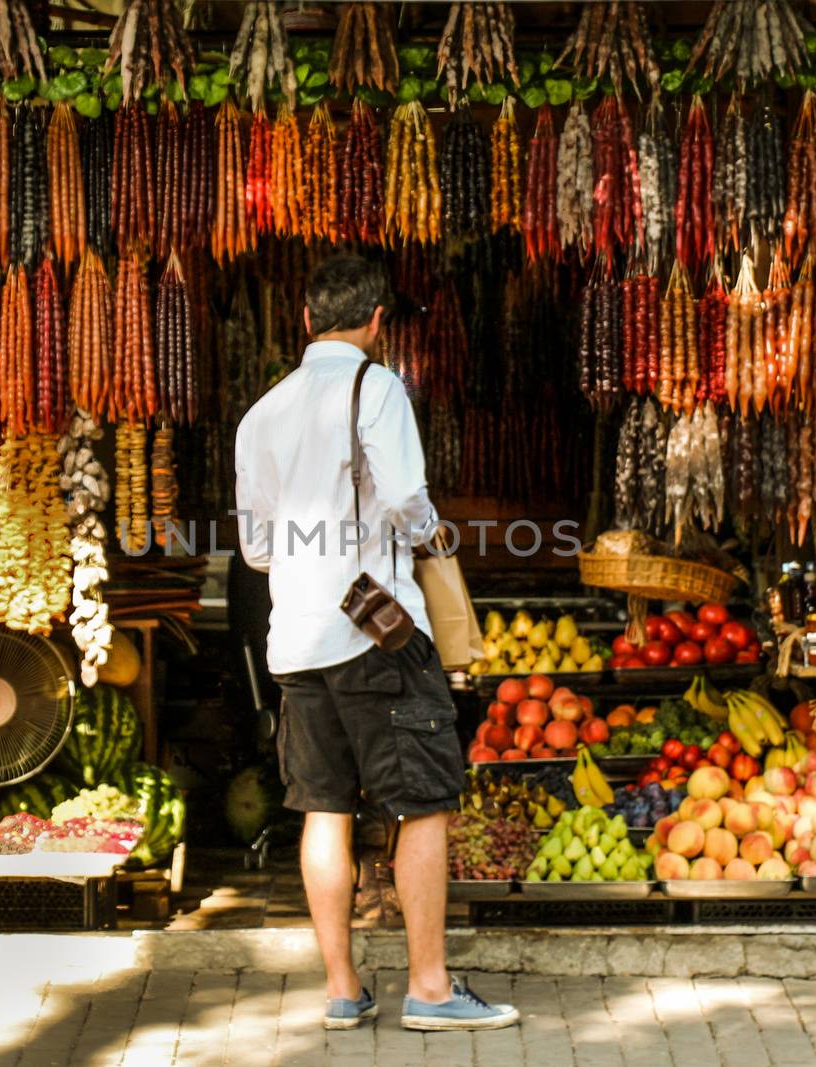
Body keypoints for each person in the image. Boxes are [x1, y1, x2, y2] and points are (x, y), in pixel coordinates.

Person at [234, 254, 519, 1033]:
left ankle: (342, 988)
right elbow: (400, 496)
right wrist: (428, 536)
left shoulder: (260, 415)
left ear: (303, 322)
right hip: (376, 633)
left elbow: (257, 550)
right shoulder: (377, 385)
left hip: (295, 639)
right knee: (422, 806)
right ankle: (428, 989)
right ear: (376, 323)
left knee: (322, 807)